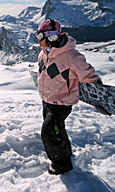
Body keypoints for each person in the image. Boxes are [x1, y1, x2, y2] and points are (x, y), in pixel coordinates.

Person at [36, 19, 101, 175]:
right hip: (47, 100)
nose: (40, 40)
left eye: (43, 36)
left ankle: (62, 164)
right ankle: (66, 153)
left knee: (49, 131)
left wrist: (99, 92)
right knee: (58, 130)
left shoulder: (71, 56)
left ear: (54, 36)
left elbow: (88, 74)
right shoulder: (43, 53)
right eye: (38, 36)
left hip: (62, 103)